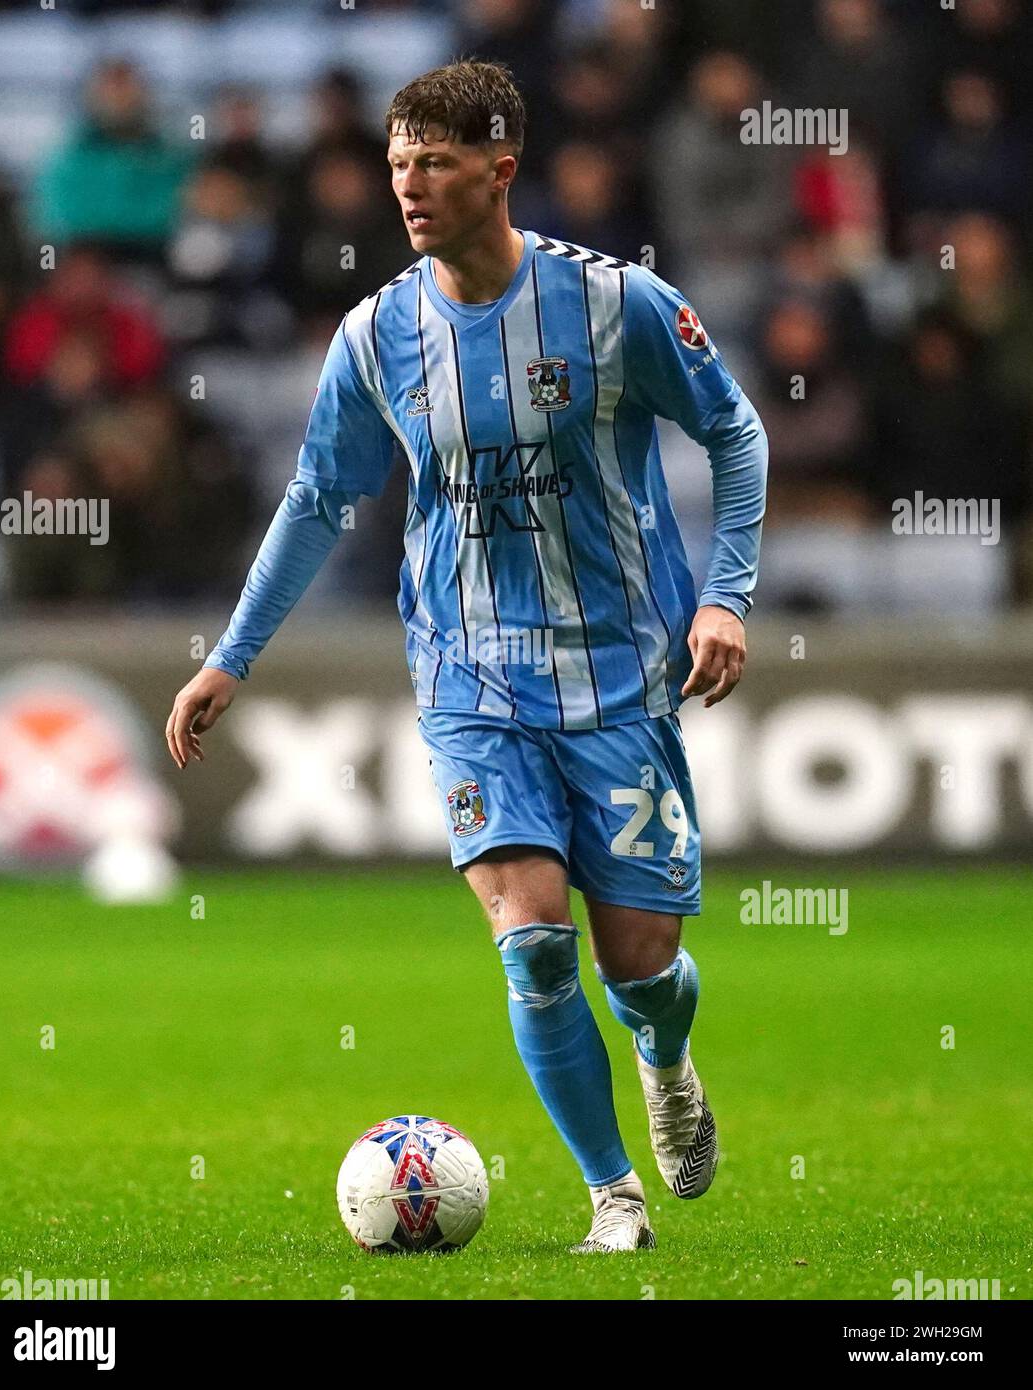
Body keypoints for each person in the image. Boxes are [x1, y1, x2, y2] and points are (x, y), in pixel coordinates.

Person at [165, 60, 768, 1253]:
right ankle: (614, 1198)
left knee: (640, 966)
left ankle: (666, 1054)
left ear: (500, 167)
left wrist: (726, 598)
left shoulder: (614, 305)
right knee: (536, 939)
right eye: (398, 164)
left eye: (435, 163)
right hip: (467, 678)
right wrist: (231, 654)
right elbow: (316, 498)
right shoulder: (378, 332)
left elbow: (735, 432)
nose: (409, 186)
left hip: (615, 672)